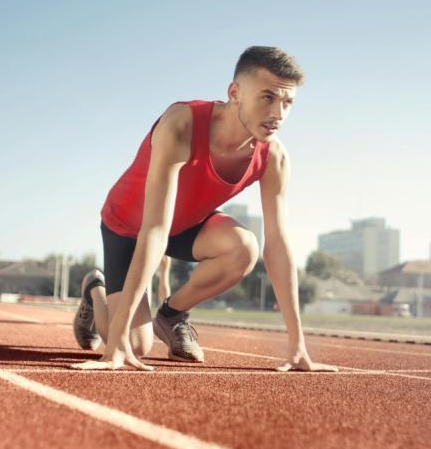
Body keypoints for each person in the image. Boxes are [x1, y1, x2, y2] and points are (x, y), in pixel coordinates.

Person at [73, 46, 336, 373]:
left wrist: (297, 344)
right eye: (267, 98)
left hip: (184, 226)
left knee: (244, 248)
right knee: (135, 344)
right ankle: (94, 291)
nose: (278, 114)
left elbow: (278, 245)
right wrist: (118, 341)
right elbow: (154, 228)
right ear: (235, 92)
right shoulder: (181, 124)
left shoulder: (274, 157)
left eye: (288, 103)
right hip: (129, 227)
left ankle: (171, 315)